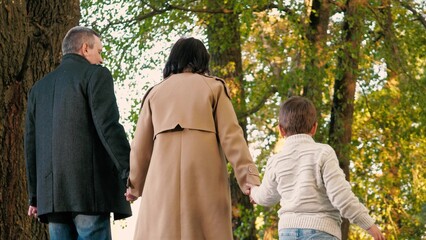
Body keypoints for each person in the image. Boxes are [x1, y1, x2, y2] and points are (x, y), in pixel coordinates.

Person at [124, 37, 261, 239]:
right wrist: (249, 178)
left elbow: (140, 148)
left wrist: (134, 186)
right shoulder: (214, 88)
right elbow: (232, 137)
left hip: (162, 182)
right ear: (202, 60)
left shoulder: (154, 93)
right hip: (204, 179)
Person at [24, 26, 132, 240]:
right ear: (85, 48)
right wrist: (129, 170)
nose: (101, 59)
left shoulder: (38, 88)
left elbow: (31, 144)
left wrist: (35, 196)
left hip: (52, 198)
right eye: (99, 51)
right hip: (88, 194)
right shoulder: (96, 75)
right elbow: (108, 127)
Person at [248, 96, 385, 240]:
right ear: (314, 127)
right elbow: (341, 196)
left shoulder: (276, 161)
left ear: (281, 130)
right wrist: (369, 225)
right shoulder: (323, 153)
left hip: (287, 233)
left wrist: (253, 192)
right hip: (321, 230)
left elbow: (266, 196)